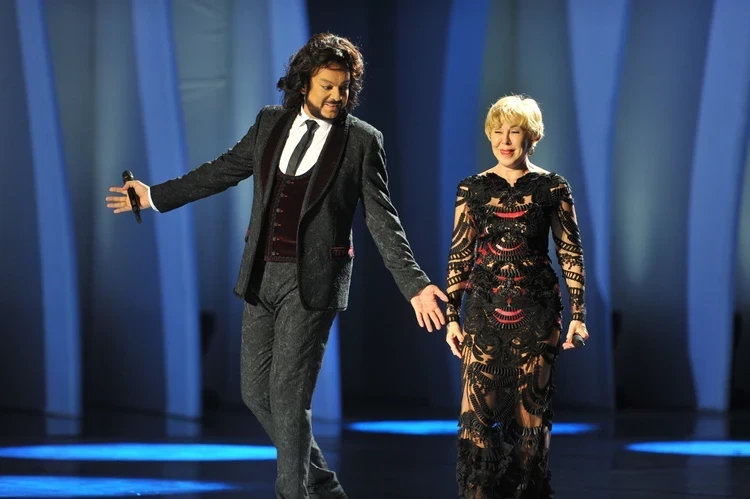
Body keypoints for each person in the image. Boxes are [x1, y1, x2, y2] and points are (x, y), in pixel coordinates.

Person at [105, 33, 448, 499]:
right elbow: (222, 170)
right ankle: (326, 488)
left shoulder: (362, 141)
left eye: (344, 88)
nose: (337, 96)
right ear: (304, 82)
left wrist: (415, 285)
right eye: (327, 86)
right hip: (261, 274)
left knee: (288, 398)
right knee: (255, 393)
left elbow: (383, 221)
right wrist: (155, 196)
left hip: (313, 284)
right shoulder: (270, 122)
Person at [444, 95, 590, 498]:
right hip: (483, 313)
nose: (504, 140)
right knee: (476, 421)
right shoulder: (472, 188)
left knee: (531, 424)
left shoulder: (553, 187)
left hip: (537, 313)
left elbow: (571, 252)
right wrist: (451, 316)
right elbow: (460, 254)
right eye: (497, 131)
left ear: (532, 137)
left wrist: (578, 314)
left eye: (514, 131)